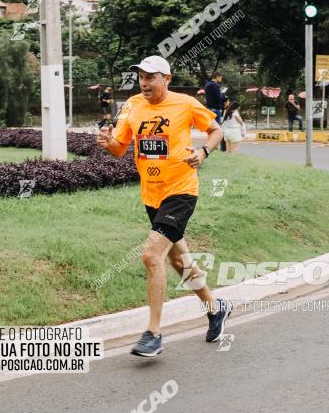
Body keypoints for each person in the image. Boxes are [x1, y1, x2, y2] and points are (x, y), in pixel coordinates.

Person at [97, 55, 232, 357]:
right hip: (152, 195)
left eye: (151, 76)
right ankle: (215, 309)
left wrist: (204, 152)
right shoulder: (131, 105)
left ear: (166, 79)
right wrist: (108, 144)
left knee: (150, 255)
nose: (144, 82)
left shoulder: (184, 104)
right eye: (141, 76)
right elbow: (120, 150)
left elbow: (216, 131)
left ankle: (154, 333)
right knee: (178, 261)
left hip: (181, 190)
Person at [204, 71, 227, 152]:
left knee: (211, 129)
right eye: (220, 77)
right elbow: (219, 98)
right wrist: (224, 95)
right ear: (217, 76)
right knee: (217, 130)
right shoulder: (215, 85)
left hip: (209, 109)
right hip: (216, 109)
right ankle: (216, 147)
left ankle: (210, 145)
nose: (221, 79)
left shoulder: (207, 84)